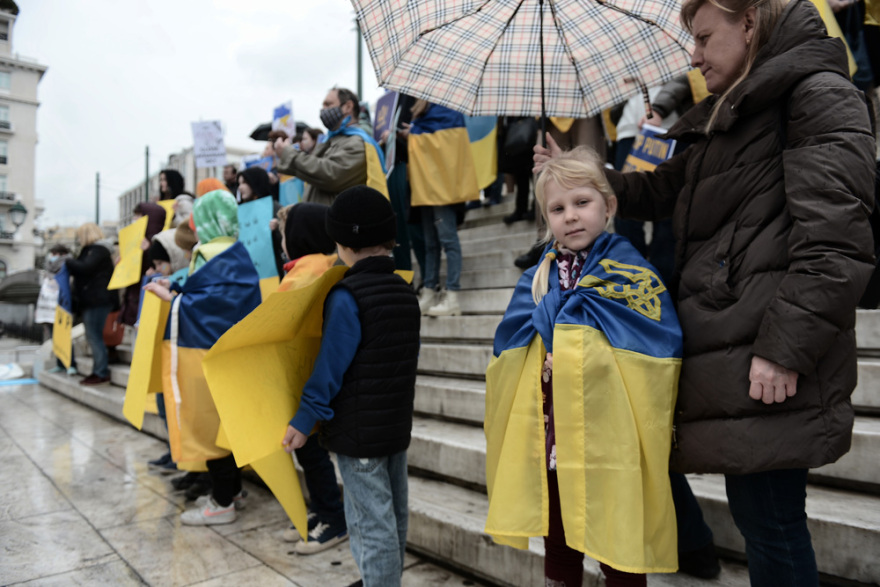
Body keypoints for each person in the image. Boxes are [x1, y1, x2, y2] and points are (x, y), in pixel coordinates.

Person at [535, 0, 876, 584]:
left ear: (750, 23)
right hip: (733, 344)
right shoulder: (736, 107)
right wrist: (581, 179)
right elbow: (667, 188)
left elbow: (836, 241)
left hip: (768, 349)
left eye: (701, 38)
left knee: (770, 523)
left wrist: (785, 347)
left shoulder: (814, 94)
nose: (691, 56)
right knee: (761, 520)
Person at [485, 148, 681, 587]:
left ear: (608, 206)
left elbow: (654, 345)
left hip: (608, 436)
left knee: (619, 536)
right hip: (554, 431)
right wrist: (542, 356)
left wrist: (574, 351)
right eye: (557, 208)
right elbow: (511, 345)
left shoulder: (631, 273)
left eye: (582, 203)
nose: (570, 216)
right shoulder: (537, 278)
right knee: (557, 535)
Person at [282, 186, 420, 586]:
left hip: (357, 431)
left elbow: (330, 367)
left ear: (342, 243)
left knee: (369, 520)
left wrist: (306, 418)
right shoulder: (405, 291)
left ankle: (380, 581)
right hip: (394, 425)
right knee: (393, 514)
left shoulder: (347, 296)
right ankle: (383, 579)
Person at [145, 190, 262, 525]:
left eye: (197, 220)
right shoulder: (234, 252)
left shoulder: (213, 253)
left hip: (206, 357)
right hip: (229, 358)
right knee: (223, 424)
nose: (193, 227)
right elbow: (214, 296)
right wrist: (181, 290)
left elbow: (212, 304)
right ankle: (234, 491)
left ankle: (222, 503)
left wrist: (173, 297)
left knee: (209, 424)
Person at [275, 203, 348, 554]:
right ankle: (322, 511)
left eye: (285, 236)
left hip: (310, 380)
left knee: (312, 454)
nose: (282, 243)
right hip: (312, 377)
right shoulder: (319, 266)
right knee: (310, 453)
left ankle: (333, 518)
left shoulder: (306, 273)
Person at [406, 100, 480, 316]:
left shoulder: (447, 109)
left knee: (448, 241)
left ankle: (452, 296)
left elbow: (449, 151)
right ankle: (429, 291)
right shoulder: (423, 110)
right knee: (431, 244)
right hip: (427, 184)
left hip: (442, 186)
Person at [273, 87, 387, 206]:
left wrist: (288, 153)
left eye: (328, 104)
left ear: (348, 106)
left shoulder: (358, 143)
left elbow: (330, 174)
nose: (323, 109)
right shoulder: (332, 140)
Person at [66, 223, 117, 385]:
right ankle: (99, 370)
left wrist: (67, 261)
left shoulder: (98, 250)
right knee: (93, 336)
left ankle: (100, 371)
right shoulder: (96, 251)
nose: (79, 239)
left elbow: (85, 268)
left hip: (97, 300)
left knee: (94, 336)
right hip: (95, 299)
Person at [36, 245, 76, 375]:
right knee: (54, 337)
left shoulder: (69, 266)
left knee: (64, 336)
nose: (52, 257)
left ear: (62, 254)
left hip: (62, 306)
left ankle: (70, 364)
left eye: (55, 254)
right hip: (48, 308)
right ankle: (60, 363)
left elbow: (70, 286)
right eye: (52, 254)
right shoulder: (48, 270)